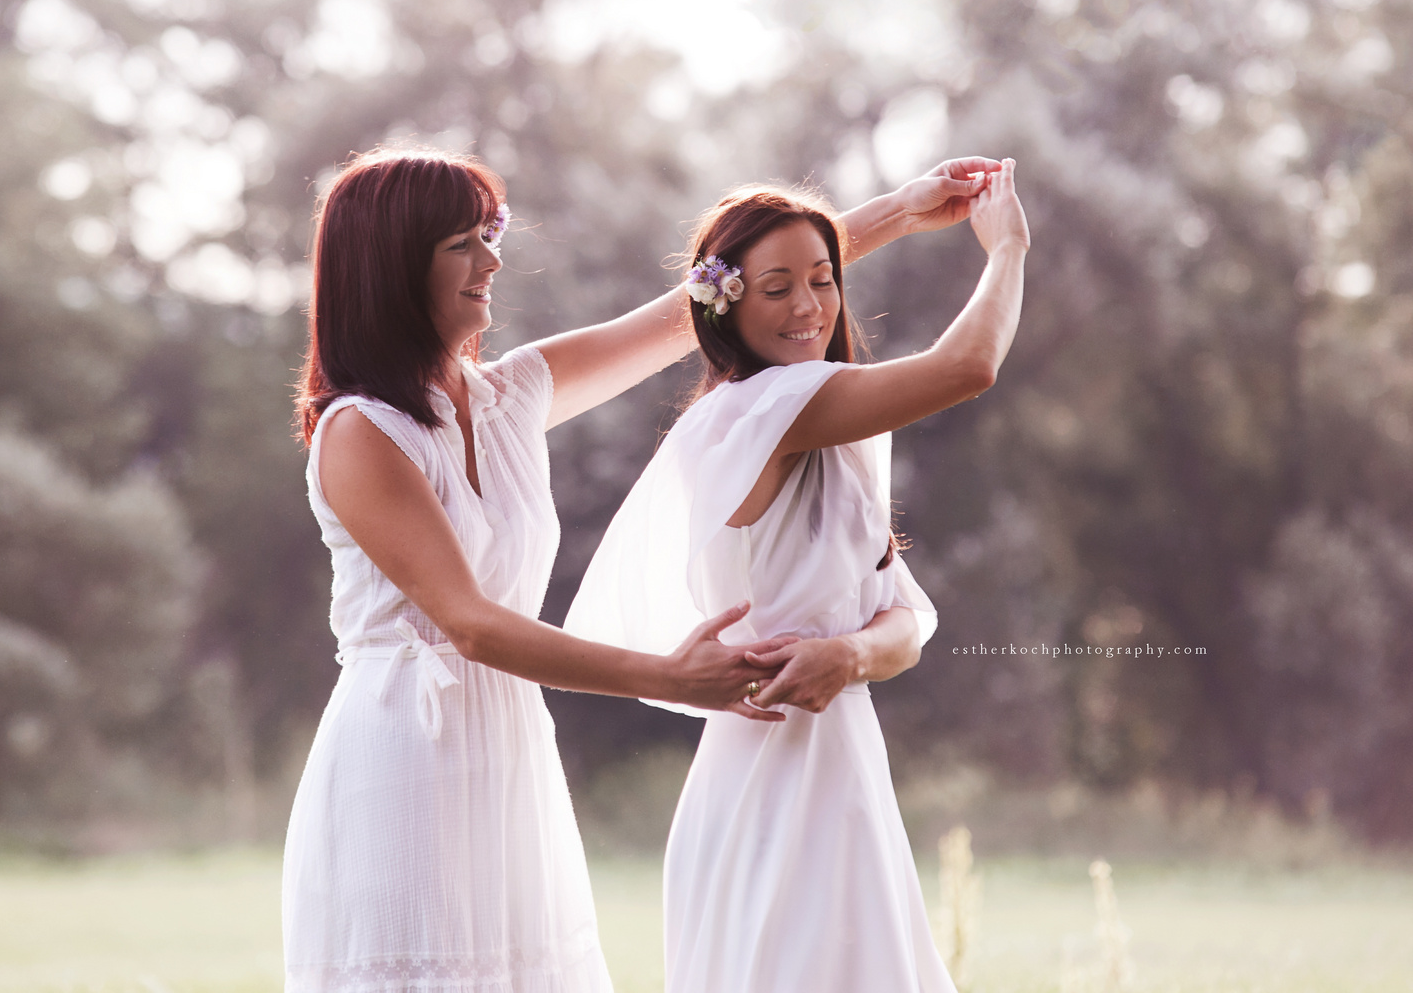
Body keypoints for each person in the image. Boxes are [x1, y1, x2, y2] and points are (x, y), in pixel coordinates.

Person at [282, 144, 1005, 993]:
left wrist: (906, 209)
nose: (493, 259)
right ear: (392, 267)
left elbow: (706, 294)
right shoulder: (362, 431)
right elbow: (469, 623)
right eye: (462, 245)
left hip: (509, 750)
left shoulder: (508, 396)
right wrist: (662, 676)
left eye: (491, 234)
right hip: (400, 757)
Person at [564, 162, 1030, 992]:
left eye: (822, 280)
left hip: (842, 764)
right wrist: (1007, 252)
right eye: (775, 288)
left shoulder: (827, 430)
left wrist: (847, 657)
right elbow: (968, 367)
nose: (809, 306)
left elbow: (904, 623)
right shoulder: (759, 411)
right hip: (770, 773)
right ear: (725, 308)